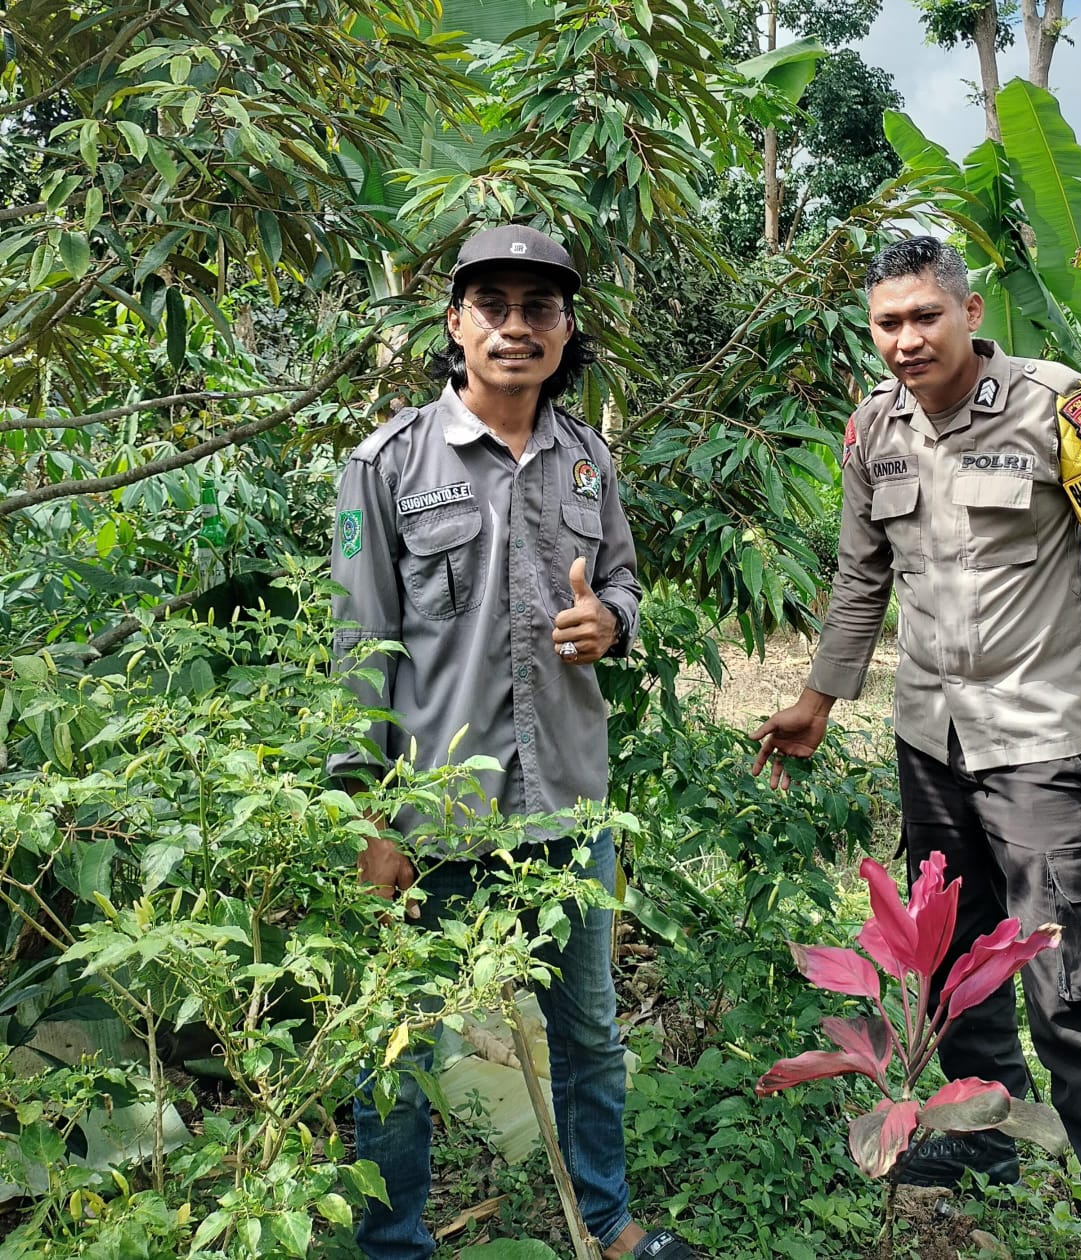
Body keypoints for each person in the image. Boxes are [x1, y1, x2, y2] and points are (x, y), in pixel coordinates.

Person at [751, 236, 1081, 1259]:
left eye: (924, 316)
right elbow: (859, 577)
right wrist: (819, 699)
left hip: (1037, 739)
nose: (906, 339)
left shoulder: (1057, 404)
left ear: (968, 311)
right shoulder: (872, 428)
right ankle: (983, 1136)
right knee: (952, 951)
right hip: (926, 737)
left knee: (1071, 975)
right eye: (887, 323)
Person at [327, 224, 695, 1260]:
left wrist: (612, 621)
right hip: (433, 821)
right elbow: (357, 650)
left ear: (565, 329)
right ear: (455, 324)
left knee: (588, 1035)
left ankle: (608, 1224)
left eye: (539, 307)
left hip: (570, 806)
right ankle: (394, 1245)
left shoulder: (586, 459)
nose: (515, 326)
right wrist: (367, 819)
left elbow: (621, 581)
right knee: (400, 1048)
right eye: (492, 305)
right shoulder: (387, 464)